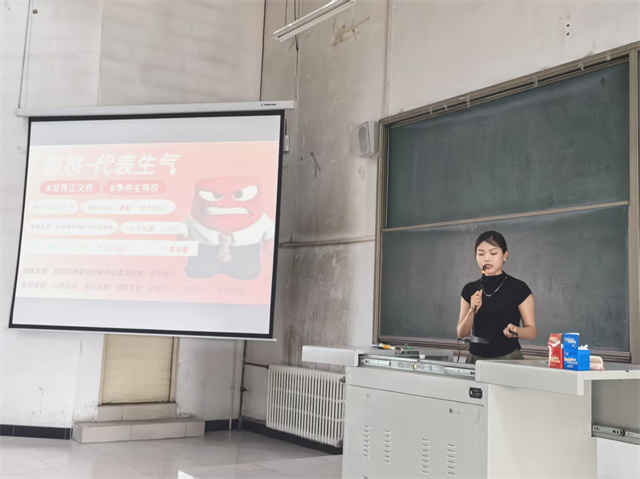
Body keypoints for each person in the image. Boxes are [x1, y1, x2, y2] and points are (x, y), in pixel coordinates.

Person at [457, 231, 536, 364]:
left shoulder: (519, 288)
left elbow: (532, 332)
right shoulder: (469, 289)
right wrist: (472, 310)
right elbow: (461, 333)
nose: (486, 259)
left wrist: (516, 331)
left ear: (505, 256)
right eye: (481, 254)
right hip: (475, 360)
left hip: (509, 358)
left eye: (493, 253)